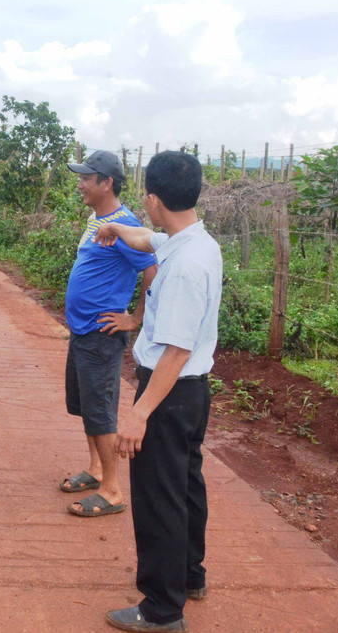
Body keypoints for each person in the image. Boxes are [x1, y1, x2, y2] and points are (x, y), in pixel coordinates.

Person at [94, 151, 222, 632]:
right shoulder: (195, 242)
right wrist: (116, 229)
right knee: (186, 486)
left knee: (158, 498)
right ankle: (190, 576)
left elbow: (175, 351)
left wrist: (139, 413)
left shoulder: (185, 266)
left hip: (169, 389)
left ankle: (161, 610)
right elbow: (149, 239)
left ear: (152, 198)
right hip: (193, 394)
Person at [59, 151, 157, 518]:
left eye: (87, 178)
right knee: (86, 405)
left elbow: (152, 268)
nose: (80, 184)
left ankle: (112, 490)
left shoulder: (124, 225)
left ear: (107, 183)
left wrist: (135, 318)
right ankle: (96, 469)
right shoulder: (98, 218)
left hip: (101, 335)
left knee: (101, 411)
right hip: (83, 330)